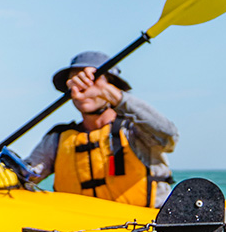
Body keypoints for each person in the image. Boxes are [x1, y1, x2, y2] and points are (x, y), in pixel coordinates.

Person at [20, 52, 177, 207]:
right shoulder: (58, 138)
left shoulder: (135, 128)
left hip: (143, 227)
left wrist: (109, 93)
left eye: (92, 81)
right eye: (76, 82)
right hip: (82, 230)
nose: (83, 88)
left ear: (111, 85)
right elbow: (25, 176)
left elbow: (169, 137)